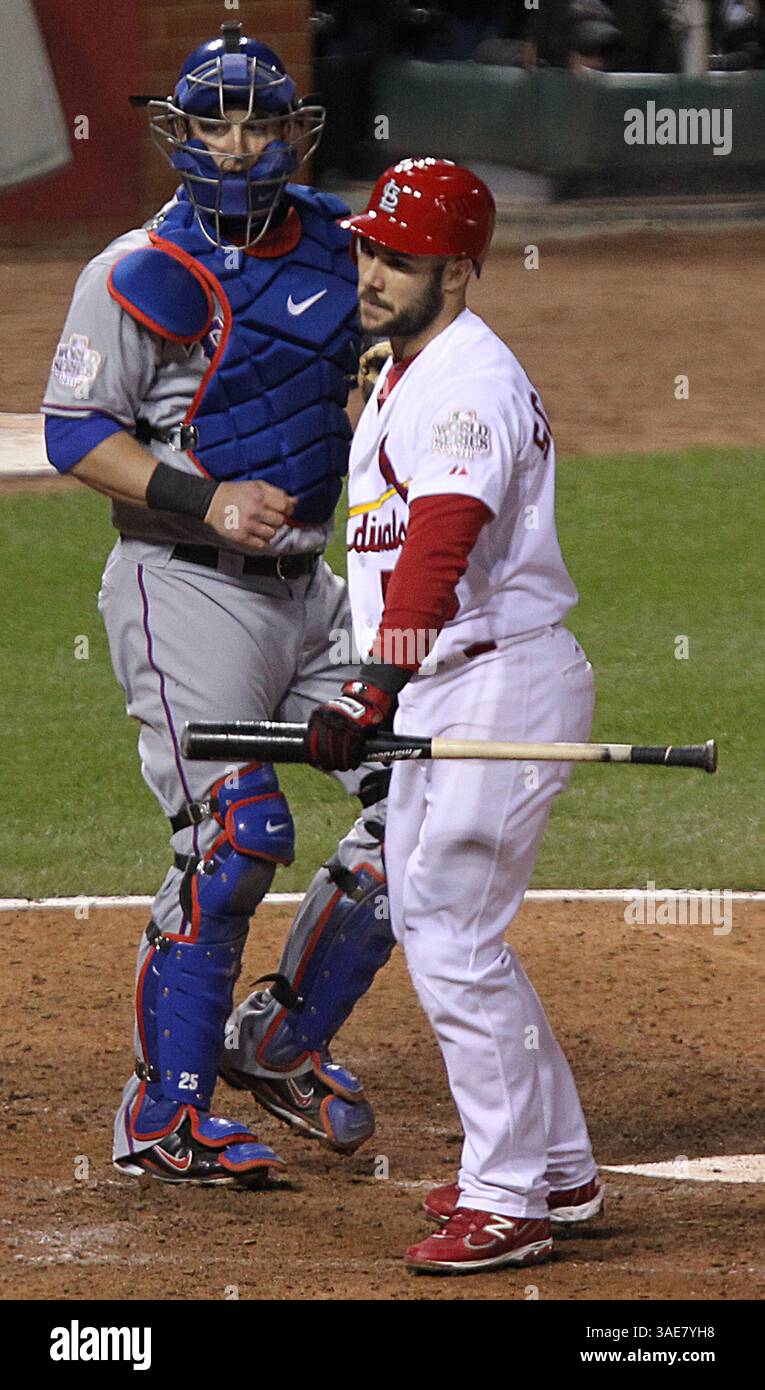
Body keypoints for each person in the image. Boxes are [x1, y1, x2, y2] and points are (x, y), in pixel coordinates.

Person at [41, 22, 394, 1186]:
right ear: (179, 132)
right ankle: (162, 1112)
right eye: (216, 121)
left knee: (424, 812)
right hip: (182, 589)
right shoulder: (136, 272)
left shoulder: (350, 245)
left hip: (315, 592)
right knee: (238, 837)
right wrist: (202, 494)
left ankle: (282, 1040)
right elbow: (73, 434)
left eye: (260, 120)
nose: (240, 144)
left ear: (297, 130)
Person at [306, 158, 603, 1273]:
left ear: (463, 271)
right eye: (371, 249)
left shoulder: (465, 381)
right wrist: (393, 680)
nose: (375, 272)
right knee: (448, 923)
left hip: (491, 680)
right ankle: (557, 1167)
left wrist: (372, 682)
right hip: (450, 680)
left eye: (403, 259)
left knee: (447, 928)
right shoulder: (407, 364)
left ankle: (509, 1196)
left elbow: (442, 538)